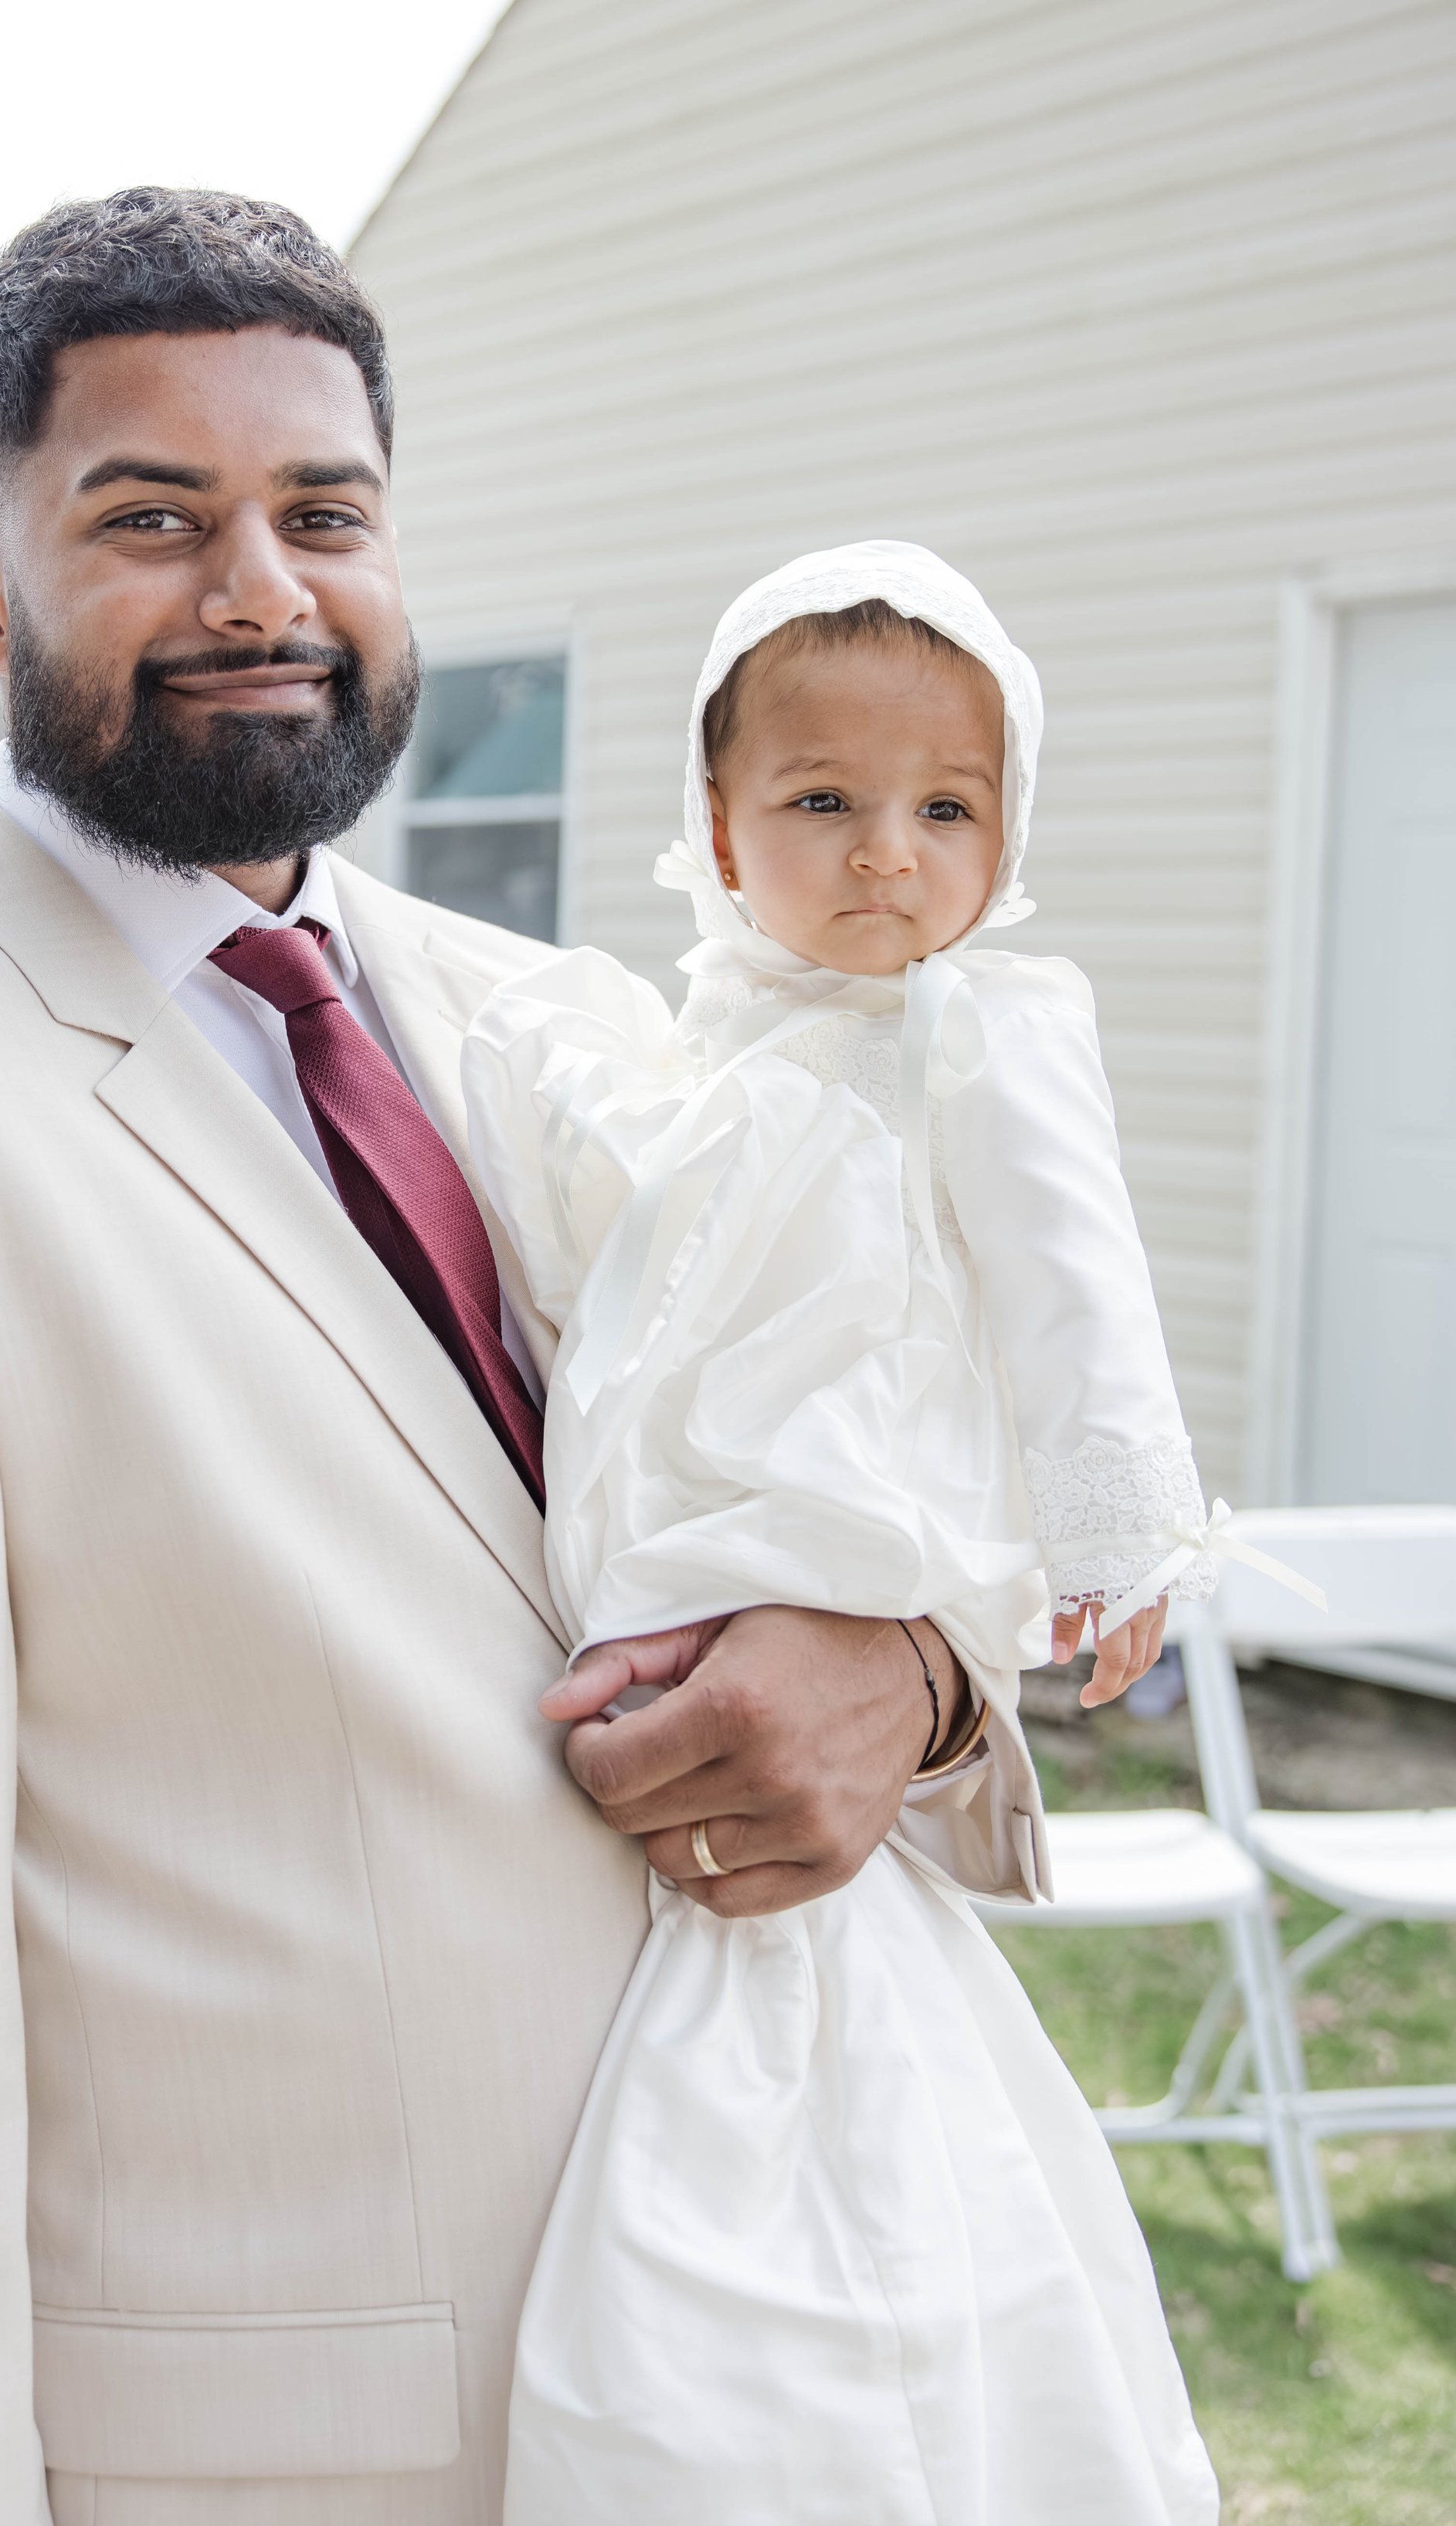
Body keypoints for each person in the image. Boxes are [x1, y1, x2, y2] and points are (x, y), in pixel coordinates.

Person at [0, 201, 1044, 2526]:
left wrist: (919, 1682)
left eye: (319, 514)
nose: (259, 586)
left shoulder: (564, 1017)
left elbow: (845, 1488)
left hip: (783, 2373)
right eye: (150, 516)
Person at [461, 545, 1234, 2524]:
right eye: (822, 802)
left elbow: (1078, 1278)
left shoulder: (981, 1032)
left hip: (841, 1531)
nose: (885, 856)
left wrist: (1112, 1523)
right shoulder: (690, 1048)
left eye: (942, 810)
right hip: (681, 1547)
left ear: (1004, 834)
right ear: (716, 831)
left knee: (821, 2057)